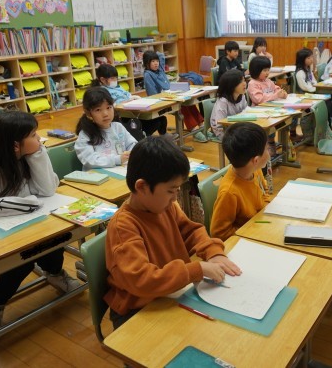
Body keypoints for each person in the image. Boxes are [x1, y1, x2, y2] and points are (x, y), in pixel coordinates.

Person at [104, 136, 242, 329]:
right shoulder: (123, 226)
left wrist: (213, 253)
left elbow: (191, 231)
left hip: (169, 293)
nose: (175, 198)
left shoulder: (164, 206)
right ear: (142, 187)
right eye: (171, 191)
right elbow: (141, 280)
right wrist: (196, 270)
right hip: (137, 309)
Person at [0, 111, 80, 333]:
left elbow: (47, 190)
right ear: (15, 145)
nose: (39, 139)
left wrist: (38, 154)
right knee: (22, 260)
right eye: (33, 135)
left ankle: (55, 273)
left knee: (54, 239)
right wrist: (27, 204)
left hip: (31, 222)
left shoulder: (27, 158)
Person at [210, 122, 271, 241]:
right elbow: (219, 233)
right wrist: (250, 230)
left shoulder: (255, 170)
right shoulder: (229, 192)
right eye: (267, 149)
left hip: (261, 226)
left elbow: (265, 192)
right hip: (246, 240)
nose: (269, 152)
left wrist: (267, 212)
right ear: (256, 160)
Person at [143, 50, 206, 142]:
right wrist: (166, 94)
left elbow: (161, 56)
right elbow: (153, 95)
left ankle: (201, 125)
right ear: (147, 63)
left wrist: (156, 53)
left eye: (157, 61)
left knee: (189, 102)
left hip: (171, 93)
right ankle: (193, 130)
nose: (156, 63)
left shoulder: (159, 70)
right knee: (182, 106)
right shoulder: (148, 75)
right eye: (153, 61)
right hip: (162, 101)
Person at [92, 63, 166, 139]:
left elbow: (127, 94)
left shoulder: (117, 87)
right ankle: (141, 136)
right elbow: (112, 105)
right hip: (124, 116)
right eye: (112, 78)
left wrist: (134, 97)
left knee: (161, 119)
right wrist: (125, 102)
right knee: (155, 122)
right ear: (102, 80)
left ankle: (157, 137)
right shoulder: (102, 92)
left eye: (116, 78)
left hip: (131, 111)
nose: (115, 80)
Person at [74, 87, 138, 170]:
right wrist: (117, 159)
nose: (105, 114)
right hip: (98, 175)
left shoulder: (118, 127)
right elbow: (89, 160)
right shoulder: (85, 135)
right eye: (98, 110)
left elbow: (133, 144)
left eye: (108, 107)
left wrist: (131, 153)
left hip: (120, 170)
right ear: (88, 113)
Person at [210, 69, 248, 140]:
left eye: (244, 80)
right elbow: (219, 124)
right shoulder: (223, 101)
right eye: (240, 82)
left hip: (237, 128)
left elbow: (246, 113)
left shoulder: (242, 96)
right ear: (231, 85)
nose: (244, 83)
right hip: (224, 132)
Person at [293, 48, 318, 144]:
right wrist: (314, 89)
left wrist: (315, 85)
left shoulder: (308, 69)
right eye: (309, 58)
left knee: (313, 114)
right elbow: (304, 86)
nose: (311, 59)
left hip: (310, 95)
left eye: (311, 57)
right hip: (303, 97)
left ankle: (312, 136)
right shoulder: (300, 72)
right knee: (307, 116)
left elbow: (313, 80)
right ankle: (308, 137)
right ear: (302, 60)